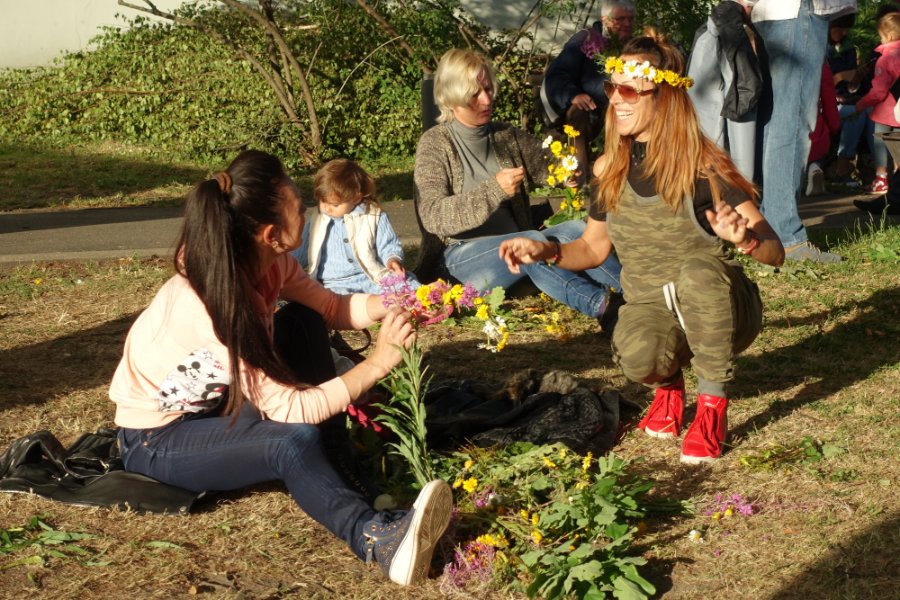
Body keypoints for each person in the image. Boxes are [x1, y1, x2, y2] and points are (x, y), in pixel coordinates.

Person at [109, 150, 451, 586]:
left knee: (304, 319)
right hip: (157, 438)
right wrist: (378, 363)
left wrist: (402, 301)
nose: (307, 208)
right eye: (298, 205)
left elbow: (333, 307)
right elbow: (291, 410)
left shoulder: (268, 262)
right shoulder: (215, 305)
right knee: (289, 442)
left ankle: (336, 462)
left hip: (220, 404)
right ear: (271, 234)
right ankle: (378, 540)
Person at [498, 32, 785, 464]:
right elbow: (592, 249)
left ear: (663, 97)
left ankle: (711, 406)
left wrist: (745, 239)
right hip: (655, 307)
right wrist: (546, 250)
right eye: (612, 88)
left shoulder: (703, 168)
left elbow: (775, 251)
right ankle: (668, 388)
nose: (615, 99)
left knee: (699, 272)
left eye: (629, 90)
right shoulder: (610, 170)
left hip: (722, 307)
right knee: (635, 353)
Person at [414, 48, 623, 329]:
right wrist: (494, 190)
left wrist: (567, 172)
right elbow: (433, 215)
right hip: (459, 259)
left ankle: (635, 294)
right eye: (475, 94)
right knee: (526, 242)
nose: (487, 99)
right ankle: (604, 308)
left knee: (575, 229)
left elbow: (547, 164)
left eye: (488, 88)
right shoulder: (435, 144)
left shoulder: (504, 135)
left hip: (516, 241)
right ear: (452, 98)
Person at [753, 0, 856, 264]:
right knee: (793, 120)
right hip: (800, 10)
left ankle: (767, 229)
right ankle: (785, 236)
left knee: (774, 119)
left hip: (771, 12)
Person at [540, 0, 636, 185]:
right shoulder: (585, 41)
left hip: (621, 104)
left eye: (630, 19)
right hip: (590, 109)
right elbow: (557, 74)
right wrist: (573, 95)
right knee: (579, 112)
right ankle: (578, 178)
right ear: (605, 20)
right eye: (620, 19)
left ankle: (629, 177)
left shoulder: (634, 46)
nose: (626, 24)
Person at [294, 158, 418, 295]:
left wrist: (392, 259)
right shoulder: (317, 221)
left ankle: (425, 300)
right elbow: (300, 249)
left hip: (370, 277)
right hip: (333, 283)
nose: (327, 208)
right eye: (322, 202)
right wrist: (286, 266)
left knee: (407, 285)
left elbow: (387, 244)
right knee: (334, 299)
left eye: (335, 205)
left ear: (356, 197)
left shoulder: (372, 215)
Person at [687, 0, 763, 182]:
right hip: (728, 146)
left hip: (711, 149)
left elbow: (702, 98)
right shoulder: (727, 27)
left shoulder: (710, 31)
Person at [853, 12, 900, 196]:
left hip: (885, 111)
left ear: (888, 36)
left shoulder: (885, 59)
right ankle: (897, 179)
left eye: (881, 35)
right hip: (899, 111)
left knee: (880, 142)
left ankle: (881, 178)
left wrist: (861, 104)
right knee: (897, 145)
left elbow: (879, 91)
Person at [827, 11, 871, 187]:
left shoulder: (848, 48)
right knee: (857, 114)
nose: (844, 33)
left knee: (868, 112)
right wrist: (839, 77)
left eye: (847, 29)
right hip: (826, 104)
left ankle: (878, 170)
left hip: (846, 99)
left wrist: (856, 78)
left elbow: (851, 88)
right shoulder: (820, 48)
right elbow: (817, 84)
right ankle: (842, 170)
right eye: (841, 28)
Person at [806, 61, 841, 196]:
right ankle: (814, 169)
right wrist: (834, 126)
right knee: (817, 150)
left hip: (783, 130)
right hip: (813, 127)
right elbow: (829, 101)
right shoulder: (820, 65)